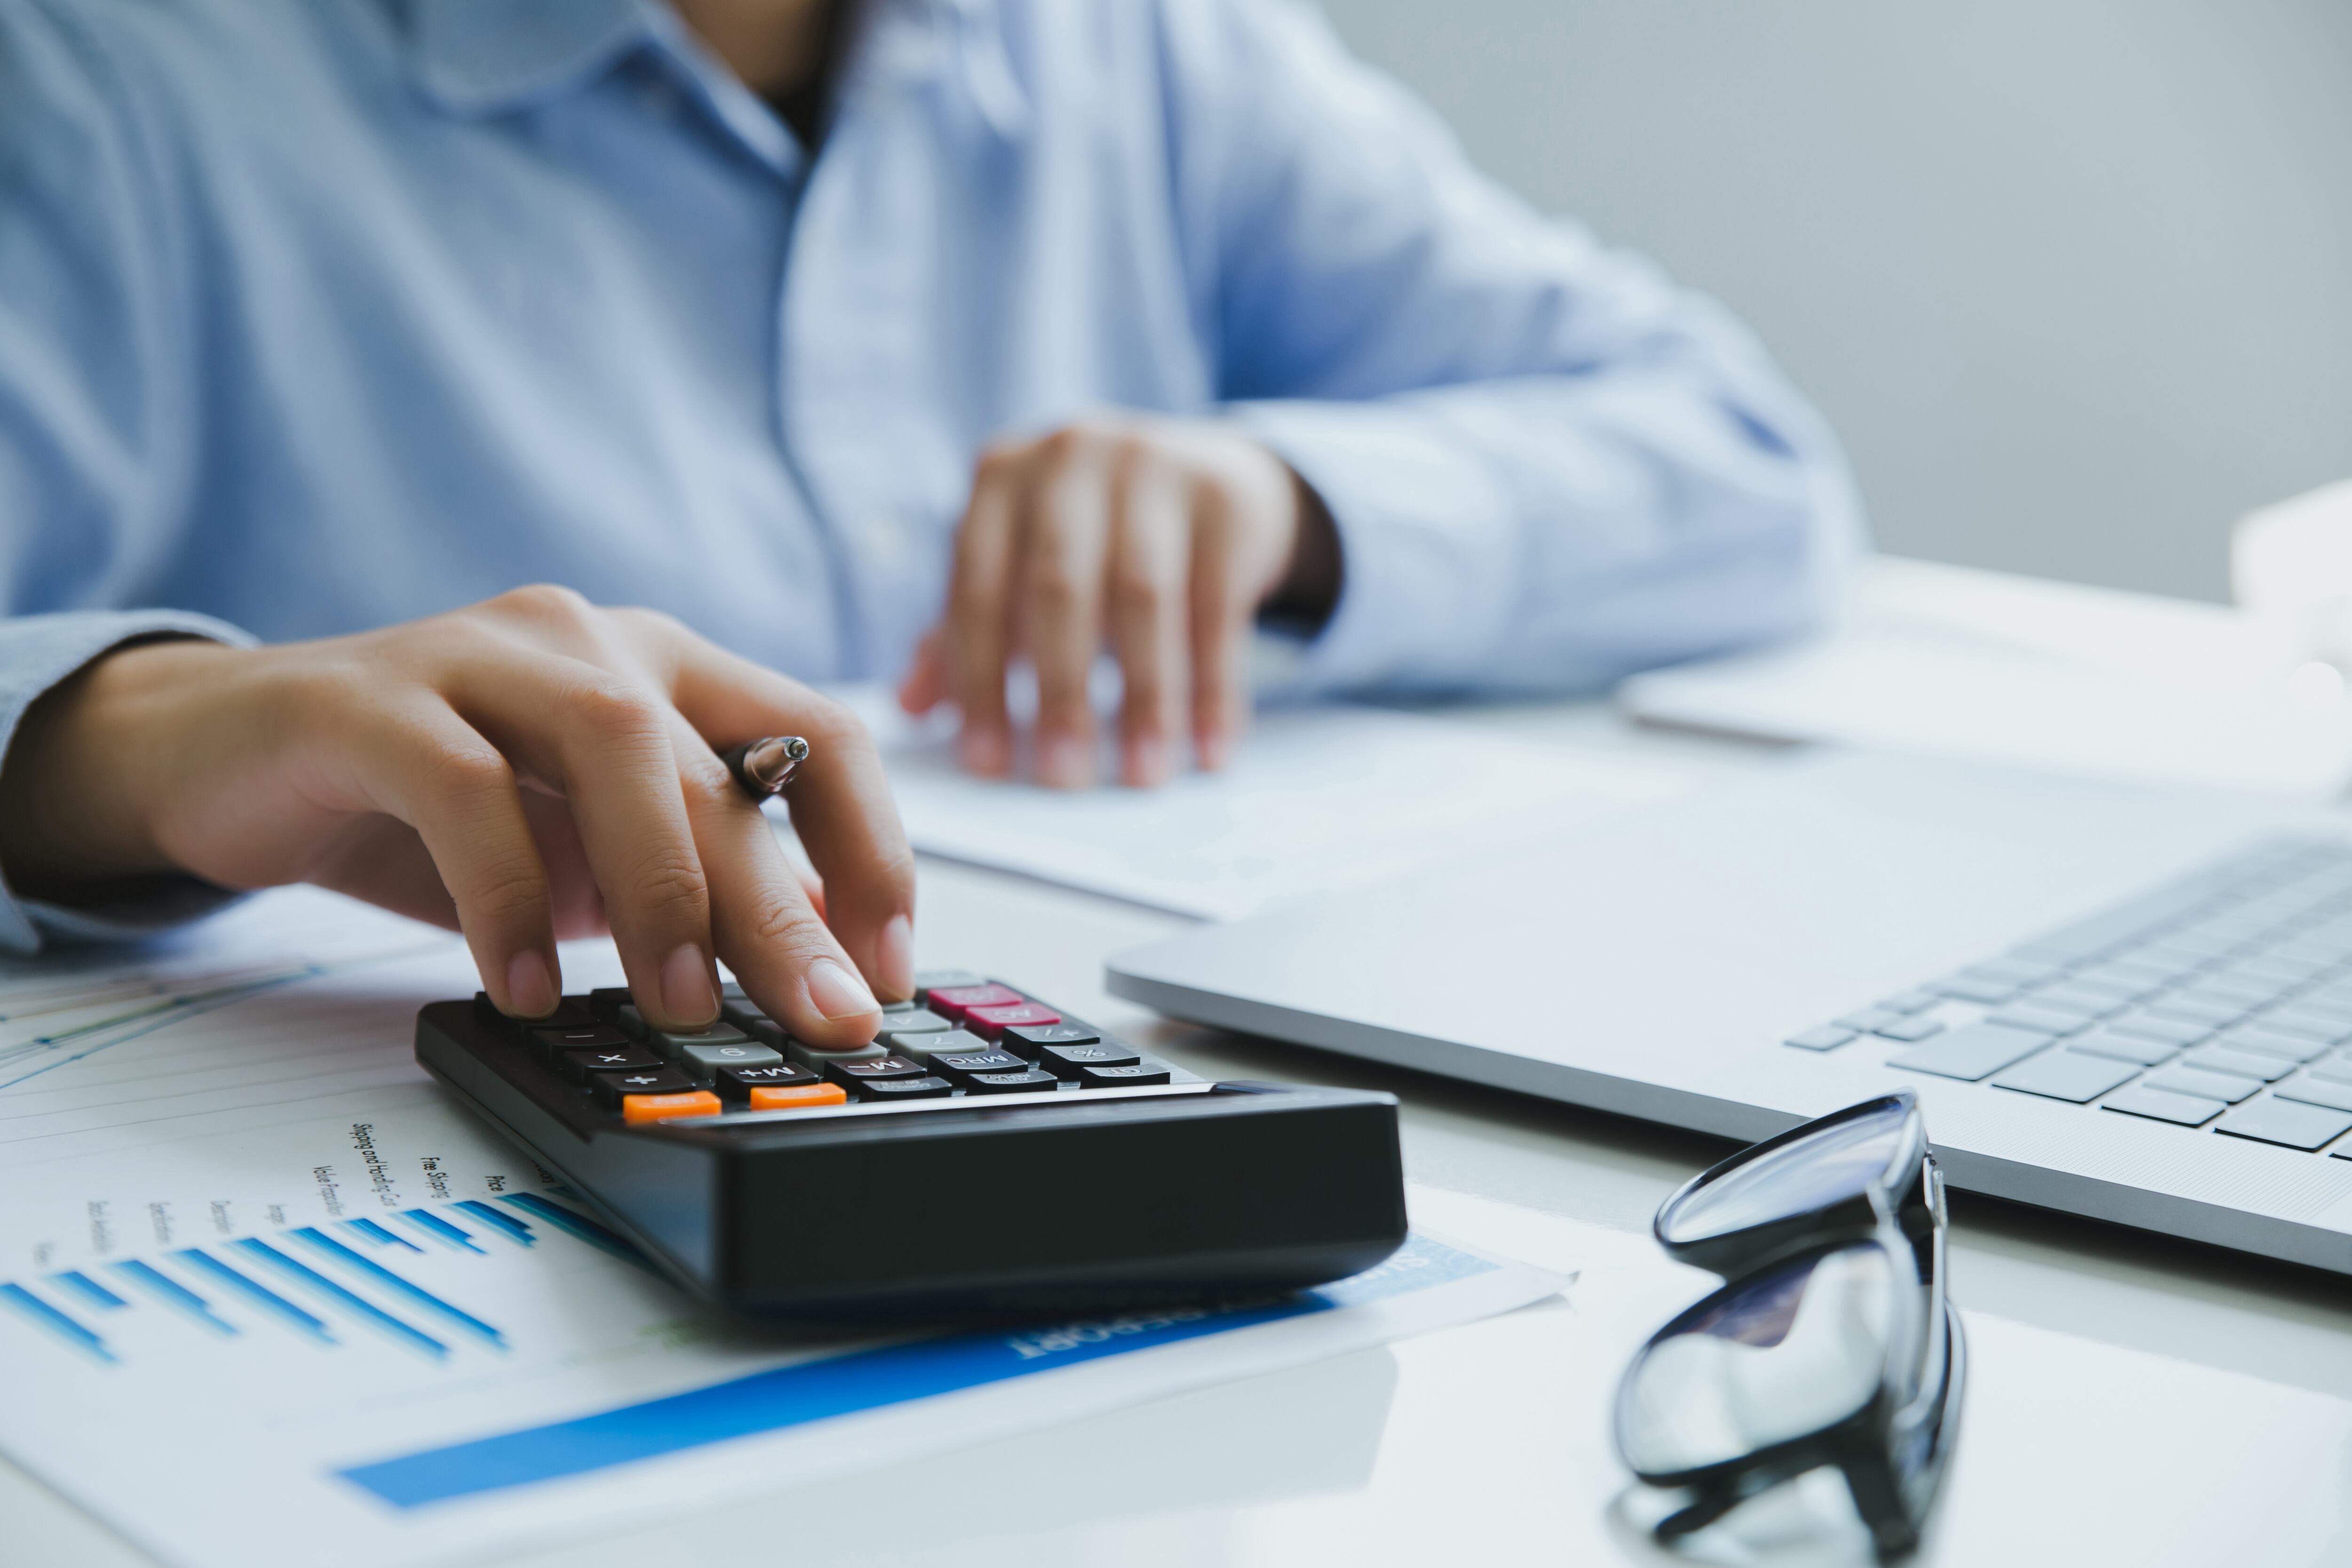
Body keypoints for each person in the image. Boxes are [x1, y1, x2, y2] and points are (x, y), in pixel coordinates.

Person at [0, 0, 1861, 1039]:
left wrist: (1284, 501)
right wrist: (131, 740)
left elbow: (1741, 461)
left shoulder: (1143, 52)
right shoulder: (99, 77)